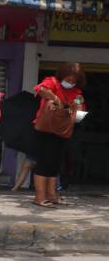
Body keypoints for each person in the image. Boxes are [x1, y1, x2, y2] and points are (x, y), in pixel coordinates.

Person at [31, 62, 86, 208]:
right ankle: (40, 197)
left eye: (73, 81)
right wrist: (55, 99)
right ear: (62, 76)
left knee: (55, 164)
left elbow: (80, 108)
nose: (70, 83)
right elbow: (40, 89)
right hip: (45, 130)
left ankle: (52, 196)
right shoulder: (52, 82)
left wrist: (75, 109)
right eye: (68, 80)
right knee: (44, 162)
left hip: (63, 132)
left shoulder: (77, 93)